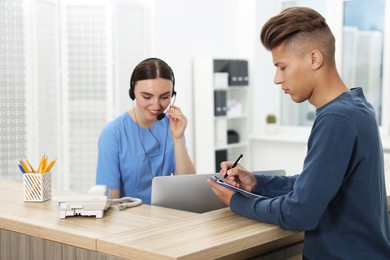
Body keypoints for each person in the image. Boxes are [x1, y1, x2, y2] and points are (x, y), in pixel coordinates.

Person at [208, 7, 390, 259]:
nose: (276, 79)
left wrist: (237, 202)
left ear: (314, 59)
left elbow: (300, 212)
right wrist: (257, 183)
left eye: (282, 66)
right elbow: (314, 186)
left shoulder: (337, 118)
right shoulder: (356, 107)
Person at [97, 57, 195, 204]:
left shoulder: (172, 127)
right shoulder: (112, 134)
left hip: (168, 217)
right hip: (129, 222)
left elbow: (190, 188)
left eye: (165, 97)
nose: (156, 105)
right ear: (133, 93)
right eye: (147, 96)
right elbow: (109, 203)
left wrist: (178, 138)